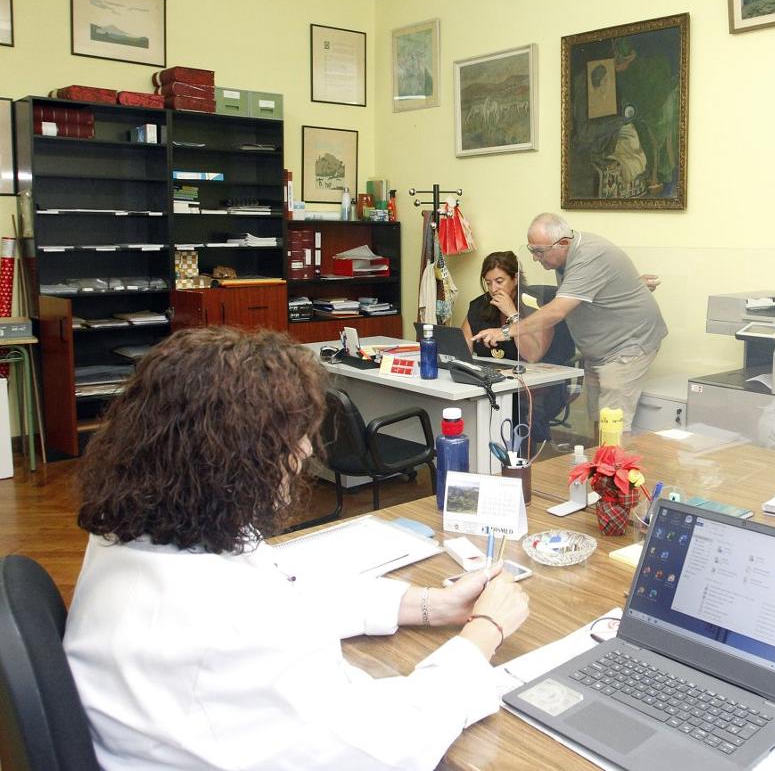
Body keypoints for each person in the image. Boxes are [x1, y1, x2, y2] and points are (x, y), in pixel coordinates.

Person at [65, 327, 530, 770]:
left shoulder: (134, 533)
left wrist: (432, 604)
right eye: (293, 437)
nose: (307, 450)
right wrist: (484, 634)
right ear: (234, 457)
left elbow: (287, 587)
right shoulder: (227, 624)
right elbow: (391, 744)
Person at [473, 213, 667, 433]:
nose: (536, 258)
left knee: (612, 425)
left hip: (628, 344)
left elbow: (557, 311)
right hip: (598, 349)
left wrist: (506, 331)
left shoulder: (589, 256)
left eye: (539, 252)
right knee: (598, 418)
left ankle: (614, 467)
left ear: (563, 243)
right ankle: (599, 466)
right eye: (531, 251)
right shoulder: (567, 255)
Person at [461, 250, 574, 442]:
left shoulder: (535, 304)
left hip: (530, 389)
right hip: (492, 382)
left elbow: (533, 355)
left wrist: (513, 315)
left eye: (499, 281)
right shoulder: (480, 305)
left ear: (515, 278)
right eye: (488, 283)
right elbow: (463, 350)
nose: (493, 289)